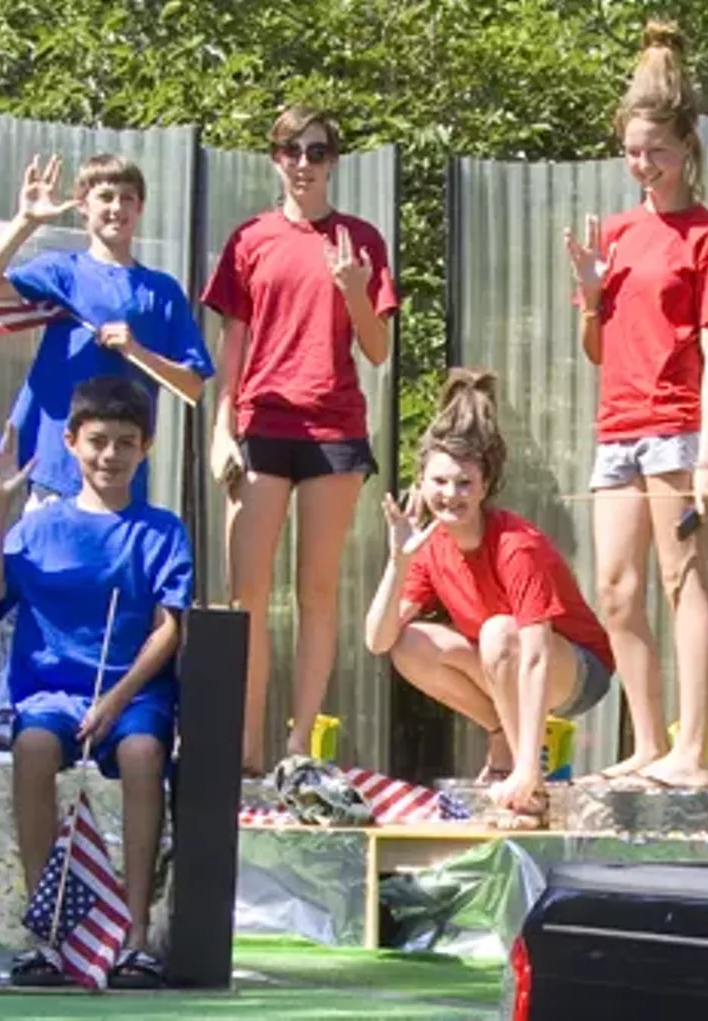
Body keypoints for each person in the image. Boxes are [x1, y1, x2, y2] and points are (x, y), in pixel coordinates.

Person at [564, 22, 708, 789]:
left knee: (684, 582)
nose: (644, 166)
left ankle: (690, 752)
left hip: (676, 430)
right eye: (634, 152)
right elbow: (599, 350)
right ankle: (646, 743)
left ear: (688, 147)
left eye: (658, 152)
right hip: (617, 431)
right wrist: (589, 295)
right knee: (614, 586)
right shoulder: (615, 231)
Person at [0, 376, 191, 989]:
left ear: (145, 447)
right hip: (52, 696)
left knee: (144, 755)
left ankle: (137, 935)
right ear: (70, 441)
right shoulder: (39, 528)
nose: (110, 455)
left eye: (125, 442)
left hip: (135, 695)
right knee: (33, 749)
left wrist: (118, 699)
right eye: (97, 441)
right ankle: (48, 932)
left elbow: (169, 628)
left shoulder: (163, 530)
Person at [202, 106, 398, 775]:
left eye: (317, 151)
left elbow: (377, 348)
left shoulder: (361, 240)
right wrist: (220, 429)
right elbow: (233, 343)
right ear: (275, 158)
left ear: (333, 160)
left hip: (334, 429)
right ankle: (246, 748)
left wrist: (354, 291)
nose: (305, 163)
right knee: (245, 593)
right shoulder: (250, 238)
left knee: (317, 589)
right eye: (292, 150)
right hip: (259, 425)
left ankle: (297, 749)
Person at [363, 370, 615, 829]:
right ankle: (504, 738)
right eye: (439, 482)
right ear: (420, 483)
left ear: (484, 486)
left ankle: (528, 783)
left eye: (464, 483)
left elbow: (535, 656)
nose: (450, 495)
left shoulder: (515, 543)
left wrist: (528, 767)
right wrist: (397, 561)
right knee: (409, 642)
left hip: (575, 669)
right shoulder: (429, 546)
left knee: (500, 631)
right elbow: (377, 642)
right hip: (507, 665)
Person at [0, 153, 213, 509]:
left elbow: (193, 387)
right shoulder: (63, 272)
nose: (116, 207)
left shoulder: (162, 290)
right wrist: (26, 220)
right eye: (106, 197)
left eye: (127, 197)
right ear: (82, 206)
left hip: (124, 480)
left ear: (140, 208)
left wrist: (135, 351)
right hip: (55, 476)